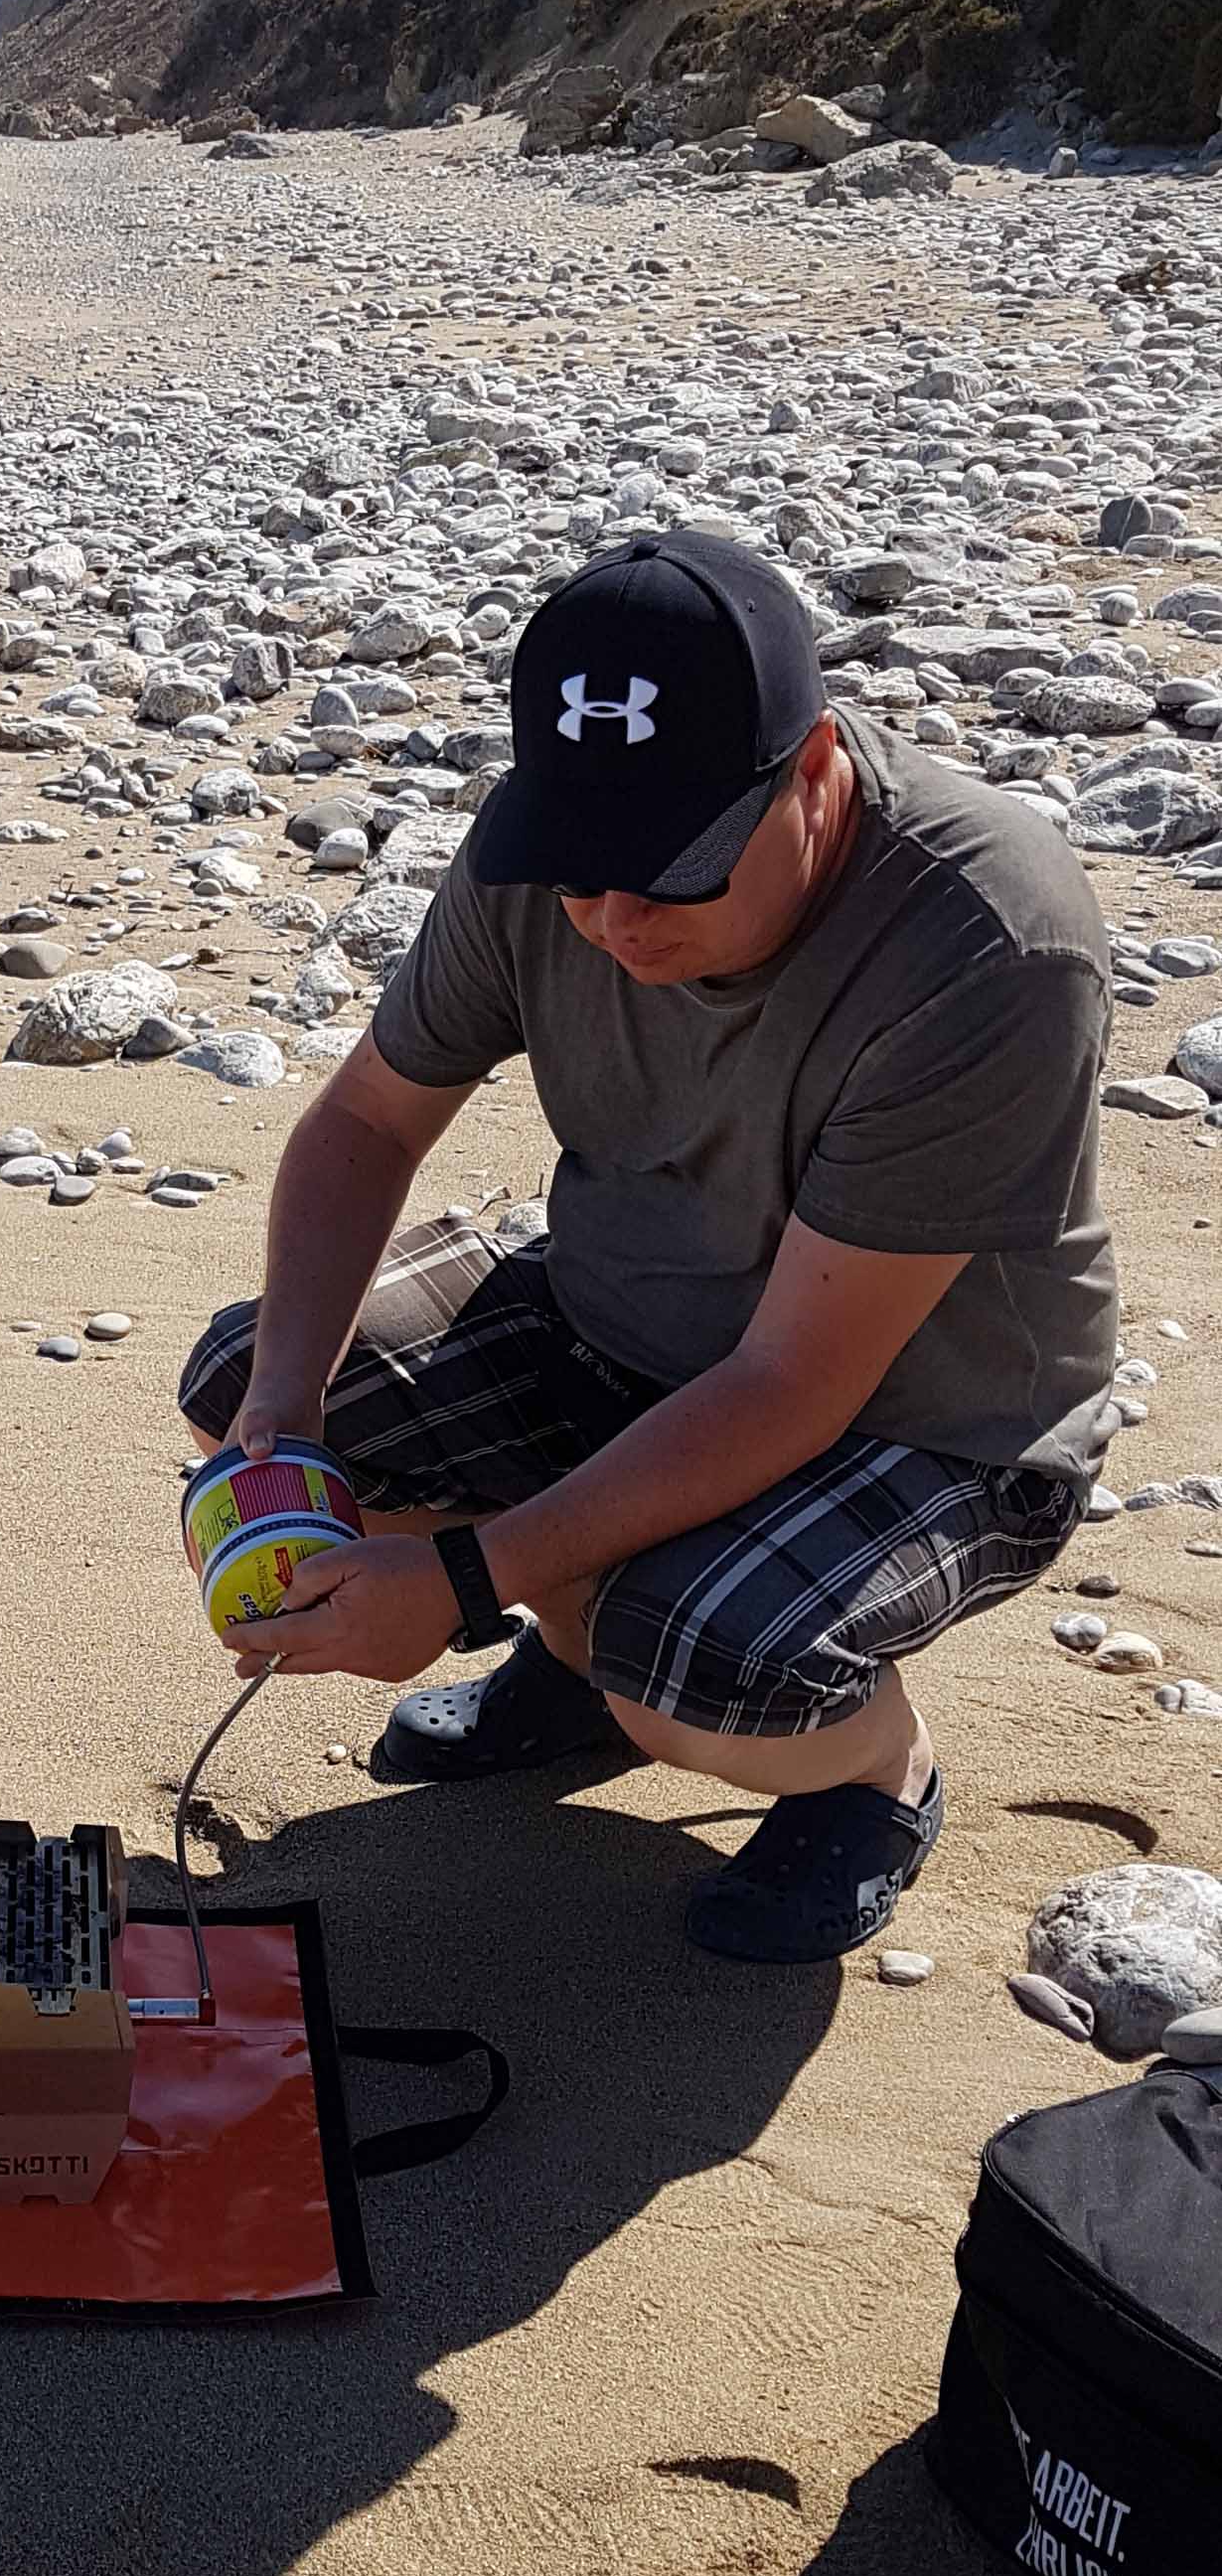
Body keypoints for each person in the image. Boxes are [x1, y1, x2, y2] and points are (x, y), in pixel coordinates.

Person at [179, 528, 1118, 1963]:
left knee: (682, 1660)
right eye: (581, 874)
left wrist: (463, 1580)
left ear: (813, 772)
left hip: (931, 1420)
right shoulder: (553, 845)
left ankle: (875, 1773)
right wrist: (282, 1412)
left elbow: (793, 1384)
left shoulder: (988, 940)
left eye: (674, 875)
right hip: (620, 1322)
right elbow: (367, 1121)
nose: (615, 921)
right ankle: (573, 1657)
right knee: (247, 1385)